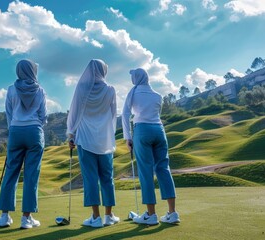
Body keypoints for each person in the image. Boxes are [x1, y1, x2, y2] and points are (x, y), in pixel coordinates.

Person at [122, 68, 180, 225]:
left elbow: (125, 114)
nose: (132, 79)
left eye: (133, 77)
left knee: (146, 171)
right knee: (163, 168)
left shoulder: (133, 92)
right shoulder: (157, 95)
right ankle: (172, 213)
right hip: (159, 131)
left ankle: (151, 214)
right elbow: (156, 114)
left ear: (136, 78)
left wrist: (127, 137)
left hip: (142, 130)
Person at [0, 59, 47, 229]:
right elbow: (43, 116)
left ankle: (4, 216)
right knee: (32, 175)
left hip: (16, 131)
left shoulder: (11, 89)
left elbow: (8, 113)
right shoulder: (40, 90)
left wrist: (14, 129)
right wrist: (35, 124)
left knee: (11, 173)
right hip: (34, 132)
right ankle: (26, 218)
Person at [67, 59, 120, 228]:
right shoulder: (110, 89)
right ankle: (109, 215)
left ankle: (96, 218)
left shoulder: (82, 88)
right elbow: (113, 114)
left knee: (90, 178)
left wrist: (71, 134)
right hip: (104, 140)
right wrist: (109, 133)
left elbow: (74, 112)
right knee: (107, 177)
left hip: (84, 139)